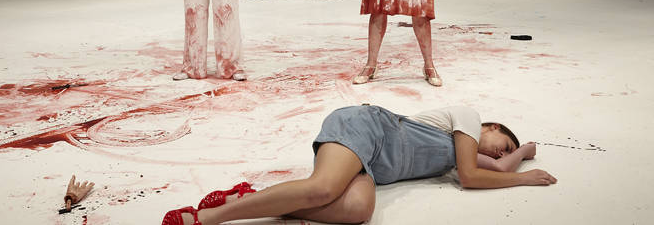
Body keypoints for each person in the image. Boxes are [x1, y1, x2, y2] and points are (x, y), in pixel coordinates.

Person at [162, 104, 556, 225]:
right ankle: (209, 217)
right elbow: (472, 178)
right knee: (322, 189)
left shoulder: (461, 154)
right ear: (488, 126)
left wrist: (514, 158)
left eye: (504, 152)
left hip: (369, 164)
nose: (501, 154)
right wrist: (524, 164)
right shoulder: (467, 119)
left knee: (358, 211)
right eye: (502, 144)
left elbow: (491, 169)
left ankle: (249, 198)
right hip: (368, 128)